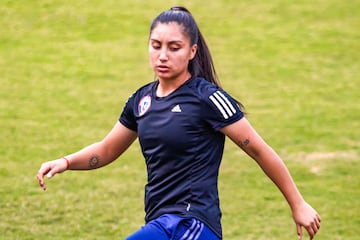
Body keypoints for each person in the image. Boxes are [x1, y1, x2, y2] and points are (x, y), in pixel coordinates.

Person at [36, 6, 321, 240]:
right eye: (155, 45)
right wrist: (66, 161)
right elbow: (108, 149)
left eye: (174, 48)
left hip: (190, 223)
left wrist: (298, 204)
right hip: (161, 222)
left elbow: (259, 149)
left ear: (192, 51)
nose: (162, 55)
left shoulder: (208, 99)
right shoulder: (141, 100)